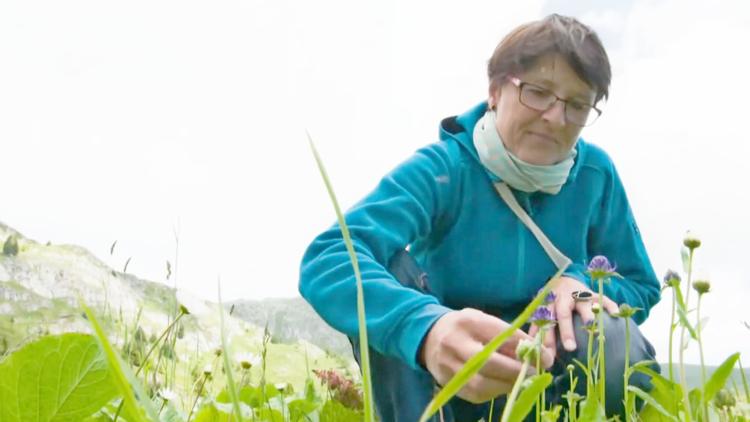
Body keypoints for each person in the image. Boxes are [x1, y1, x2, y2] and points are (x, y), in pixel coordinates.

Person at [299, 14, 660, 422]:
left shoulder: (595, 176)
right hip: (441, 377)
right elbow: (329, 256)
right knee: (385, 267)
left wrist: (579, 281)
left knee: (610, 338)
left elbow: (640, 283)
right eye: (538, 92)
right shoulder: (444, 169)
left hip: (542, 379)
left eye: (577, 105)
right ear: (495, 91)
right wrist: (425, 329)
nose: (556, 117)